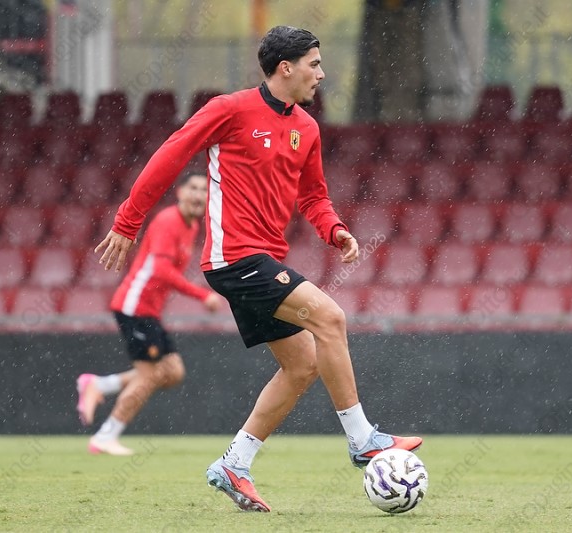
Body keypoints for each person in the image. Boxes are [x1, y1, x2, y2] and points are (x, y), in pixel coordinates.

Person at [95, 26, 422, 511]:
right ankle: (362, 439)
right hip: (234, 258)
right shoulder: (228, 110)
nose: (321, 74)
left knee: (303, 364)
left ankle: (235, 464)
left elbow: (314, 197)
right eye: (314, 64)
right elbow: (170, 156)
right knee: (331, 319)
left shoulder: (307, 128)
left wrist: (335, 230)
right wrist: (128, 221)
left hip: (262, 261)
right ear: (285, 68)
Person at [77, 171, 221, 456]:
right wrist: (202, 295)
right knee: (151, 374)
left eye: (204, 190)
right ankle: (105, 437)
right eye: (193, 188)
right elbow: (161, 270)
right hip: (135, 306)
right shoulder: (169, 221)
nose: (198, 195)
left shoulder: (192, 226)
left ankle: (99, 385)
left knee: (173, 372)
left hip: (149, 310)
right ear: (180, 193)